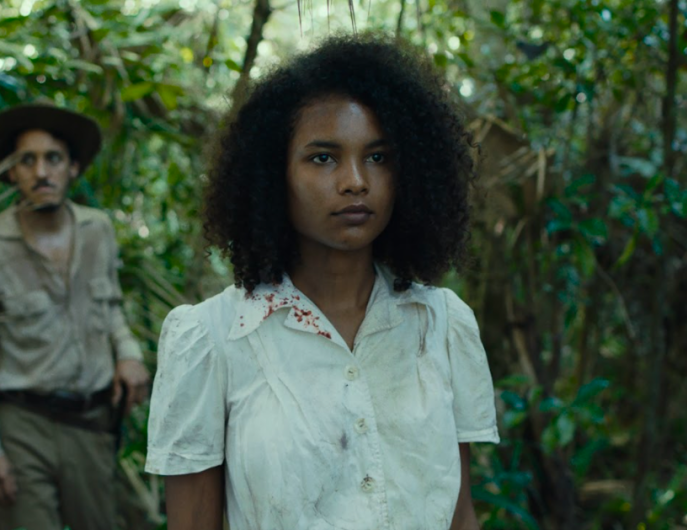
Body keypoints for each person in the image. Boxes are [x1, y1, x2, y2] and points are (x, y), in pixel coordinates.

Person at [145, 33, 500, 530]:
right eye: (323, 157)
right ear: (273, 176)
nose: (355, 180)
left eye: (378, 157)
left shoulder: (440, 325)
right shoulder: (210, 339)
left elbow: (460, 516)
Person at [0, 101, 150, 530]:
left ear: (72, 168)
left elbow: (110, 307)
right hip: (22, 426)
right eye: (28, 161)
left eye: (53, 159)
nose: (42, 172)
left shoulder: (98, 231)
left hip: (91, 422)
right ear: (11, 173)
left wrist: (128, 354)